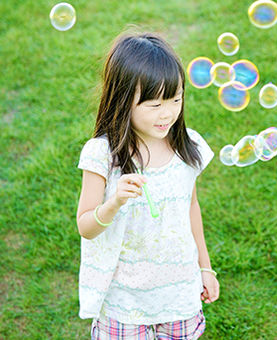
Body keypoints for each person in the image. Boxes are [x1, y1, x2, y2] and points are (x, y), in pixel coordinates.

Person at [76, 31, 219, 339]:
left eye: (176, 99)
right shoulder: (102, 154)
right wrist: (113, 203)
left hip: (179, 291)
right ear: (122, 99)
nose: (167, 113)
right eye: (154, 104)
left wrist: (205, 268)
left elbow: (190, 208)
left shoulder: (187, 146)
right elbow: (86, 226)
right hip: (124, 300)